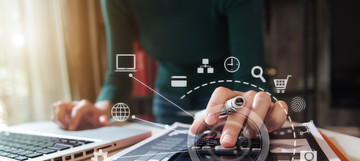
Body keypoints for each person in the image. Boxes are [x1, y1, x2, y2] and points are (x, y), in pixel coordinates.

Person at [52, 0, 287, 148]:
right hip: (167, 100)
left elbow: (250, 78)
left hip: (224, 104)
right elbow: (119, 74)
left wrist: (254, 102)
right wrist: (101, 107)